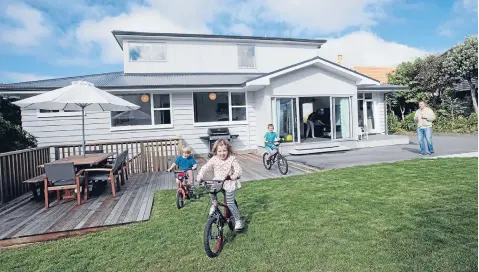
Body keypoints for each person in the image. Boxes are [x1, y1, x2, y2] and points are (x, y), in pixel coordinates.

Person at [196, 139, 244, 231]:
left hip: (228, 182)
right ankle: (214, 204)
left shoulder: (231, 158)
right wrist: (200, 176)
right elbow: (204, 167)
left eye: (224, 150)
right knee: (212, 190)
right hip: (217, 181)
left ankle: (238, 220)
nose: (222, 153)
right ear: (216, 151)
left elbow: (238, 170)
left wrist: (234, 176)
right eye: (220, 151)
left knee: (230, 202)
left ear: (228, 150)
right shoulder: (214, 159)